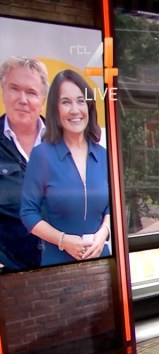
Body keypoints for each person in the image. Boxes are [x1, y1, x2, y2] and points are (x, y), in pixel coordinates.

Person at [20, 69, 111, 266]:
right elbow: (28, 213)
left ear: (89, 106)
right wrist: (63, 241)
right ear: (55, 110)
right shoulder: (42, 155)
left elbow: (111, 207)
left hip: (102, 260)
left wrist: (104, 233)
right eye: (66, 102)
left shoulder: (104, 155)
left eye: (80, 101)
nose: (75, 110)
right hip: (58, 265)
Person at [0, 57, 47, 272]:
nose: (22, 99)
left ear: (42, 98)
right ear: (3, 92)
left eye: (31, 92)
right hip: (10, 275)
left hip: (65, 266)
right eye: (14, 89)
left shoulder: (68, 141)